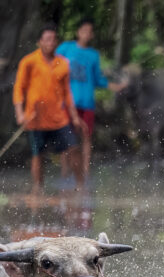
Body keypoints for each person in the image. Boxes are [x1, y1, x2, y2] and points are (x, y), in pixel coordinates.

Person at [13, 25, 86, 195]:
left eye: (53, 40)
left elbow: (67, 93)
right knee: (38, 154)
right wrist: (20, 113)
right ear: (39, 42)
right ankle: (38, 188)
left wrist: (74, 116)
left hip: (58, 118)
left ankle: (81, 186)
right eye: (47, 39)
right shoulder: (28, 62)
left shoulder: (63, 63)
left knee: (74, 148)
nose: (50, 43)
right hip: (35, 118)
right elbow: (19, 88)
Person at [56, 18, 126, 179]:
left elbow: (97, 79)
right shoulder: (65, 48)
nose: (87, 34)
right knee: (66, 137)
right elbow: (53, 67)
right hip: (68, 102)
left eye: (90, 32)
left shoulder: (93, 55)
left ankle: (85, 171)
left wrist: (115, 86)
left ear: (92, 35)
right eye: (84, 30)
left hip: (87, 102)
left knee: (86, 136)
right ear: (78, 32)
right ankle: (65, 172)